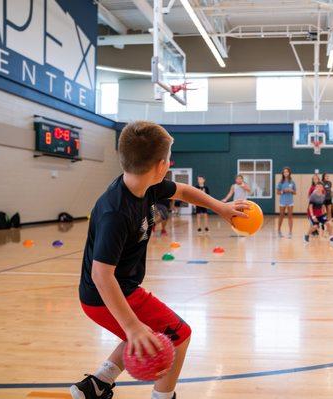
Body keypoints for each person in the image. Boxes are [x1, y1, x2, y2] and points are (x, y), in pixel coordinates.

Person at [71, 121, 248, 399]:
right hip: (104, 295)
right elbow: (101, 276)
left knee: (146, 332)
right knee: (179, 336)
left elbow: (184, 191)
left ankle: (96, 385)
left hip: (122, 289)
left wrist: (219, 207)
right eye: (168, 159)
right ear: (161, 165)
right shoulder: (115, 212)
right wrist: (131, 325)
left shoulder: (148, 186)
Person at [276, 167, 296, 238]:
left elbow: (295, 192)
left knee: (290, 216)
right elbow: (278, 192)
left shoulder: (292, 182)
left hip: (290, 201)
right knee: (281, 216)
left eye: (287, 172)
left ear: (289, 173)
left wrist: (291, 191)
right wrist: (283, 191)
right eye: (284, 172)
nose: (285, 173)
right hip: (282, 201)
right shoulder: (280, 182)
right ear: (283, 173)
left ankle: (290, 232)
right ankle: (279, 231)